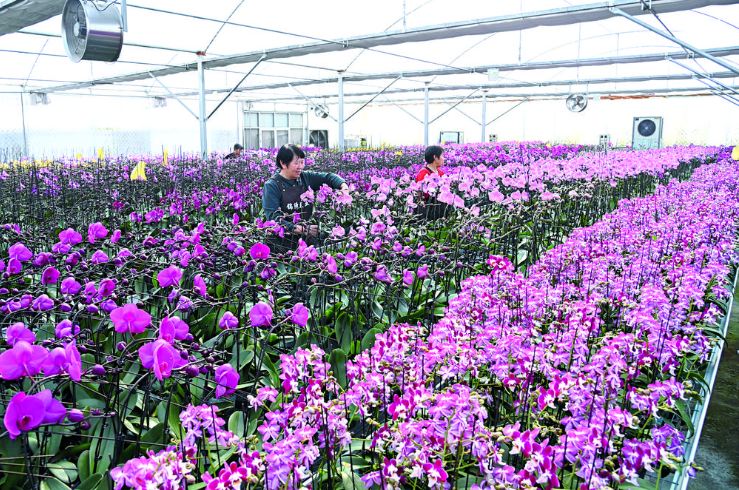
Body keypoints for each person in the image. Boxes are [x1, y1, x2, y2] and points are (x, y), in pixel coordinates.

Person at [262, 144, 350, 252]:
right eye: (296, 163)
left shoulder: (305, 177)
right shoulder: (272, 186)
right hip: (282, 245)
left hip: (306, 241)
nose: (300, 167)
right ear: (283, 163)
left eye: (302, 162)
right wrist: (299, 228)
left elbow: (328, 177)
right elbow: (273, 218)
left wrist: (344, 187)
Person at [415, 145, 448, 221]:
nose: (444, 159)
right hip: (428, 211)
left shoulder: (440, 172)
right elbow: (422, 194)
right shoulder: (424, 173)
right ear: (435, 157)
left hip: (440, 210)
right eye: (442, 156)